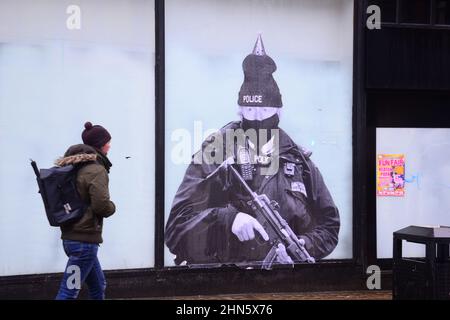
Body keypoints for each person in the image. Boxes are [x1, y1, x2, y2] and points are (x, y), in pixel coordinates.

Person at [165, 35, 340, 267]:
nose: (257, 118)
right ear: (239, 111)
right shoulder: (215, 153)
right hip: (225, 284)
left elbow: (329, 225)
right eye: (249, 109)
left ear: (279, 112)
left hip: (285, 282)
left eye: (265, 110)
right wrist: (228, 220)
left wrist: (302, 244)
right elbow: (176, 229)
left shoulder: (297, 160)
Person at [55, 122, 116, 300]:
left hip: (72, 238)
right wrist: (113, 207)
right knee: (68, 292)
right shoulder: (96, 170)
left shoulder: (75, 166)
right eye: (107, 142)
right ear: (99, 145)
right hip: (84, 243)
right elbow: (101, 206)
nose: (110, 145)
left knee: (98, 286)